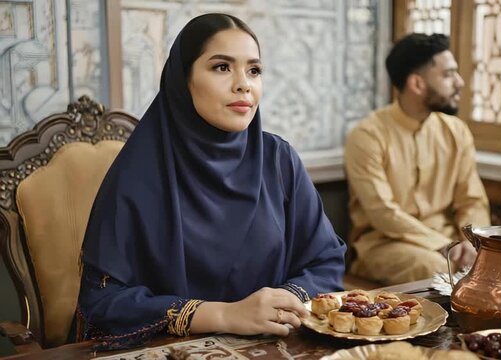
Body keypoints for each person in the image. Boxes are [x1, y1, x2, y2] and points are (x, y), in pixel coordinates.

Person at [73, 13, 346, 349]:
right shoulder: (139, 173)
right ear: (182, 79)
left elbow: (324, 259)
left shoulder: (278, 160)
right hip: (172, 351)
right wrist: (223, 315)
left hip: (275, 345)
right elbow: (103, 301)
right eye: (222, 67)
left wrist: (282, 301)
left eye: (254, 70)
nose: (243, 83)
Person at [343, 33, 490, 286]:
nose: (460, 82)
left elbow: (472, 200)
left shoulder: (456, 131)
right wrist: (445, 246)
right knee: (435, 268)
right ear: (417, 84)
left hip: (452, 245)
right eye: (448, 75)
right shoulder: (367, 136)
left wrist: (471, 242)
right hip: (385, 245)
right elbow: (383, 213)